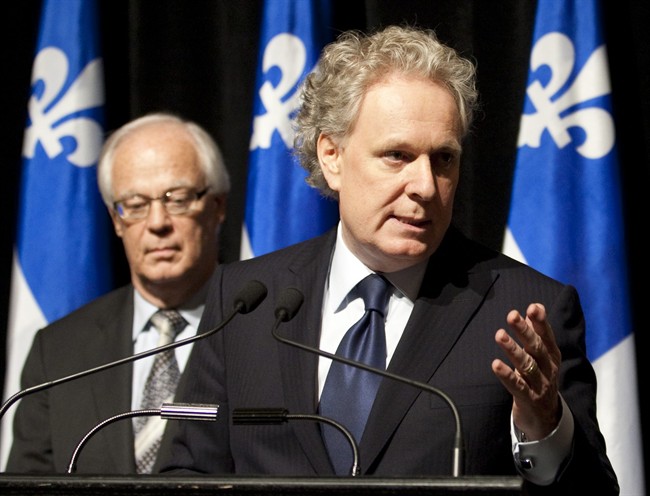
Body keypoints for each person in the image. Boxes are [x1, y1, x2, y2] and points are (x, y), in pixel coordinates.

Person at [161, 25, 619, 494]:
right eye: (397, 156)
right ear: (333, 155)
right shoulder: (245, 302)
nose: (425, 186)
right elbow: (185, 475)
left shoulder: (526, 310)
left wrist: (543, 428)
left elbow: (592, 491)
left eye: (443, 159)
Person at [5, 112, 230, 474]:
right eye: (136, 205)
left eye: (178, 199)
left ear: (217, 207)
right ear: (115, 220)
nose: (157, 223)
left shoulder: (263, 331)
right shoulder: (59, 352)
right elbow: (27, 483)